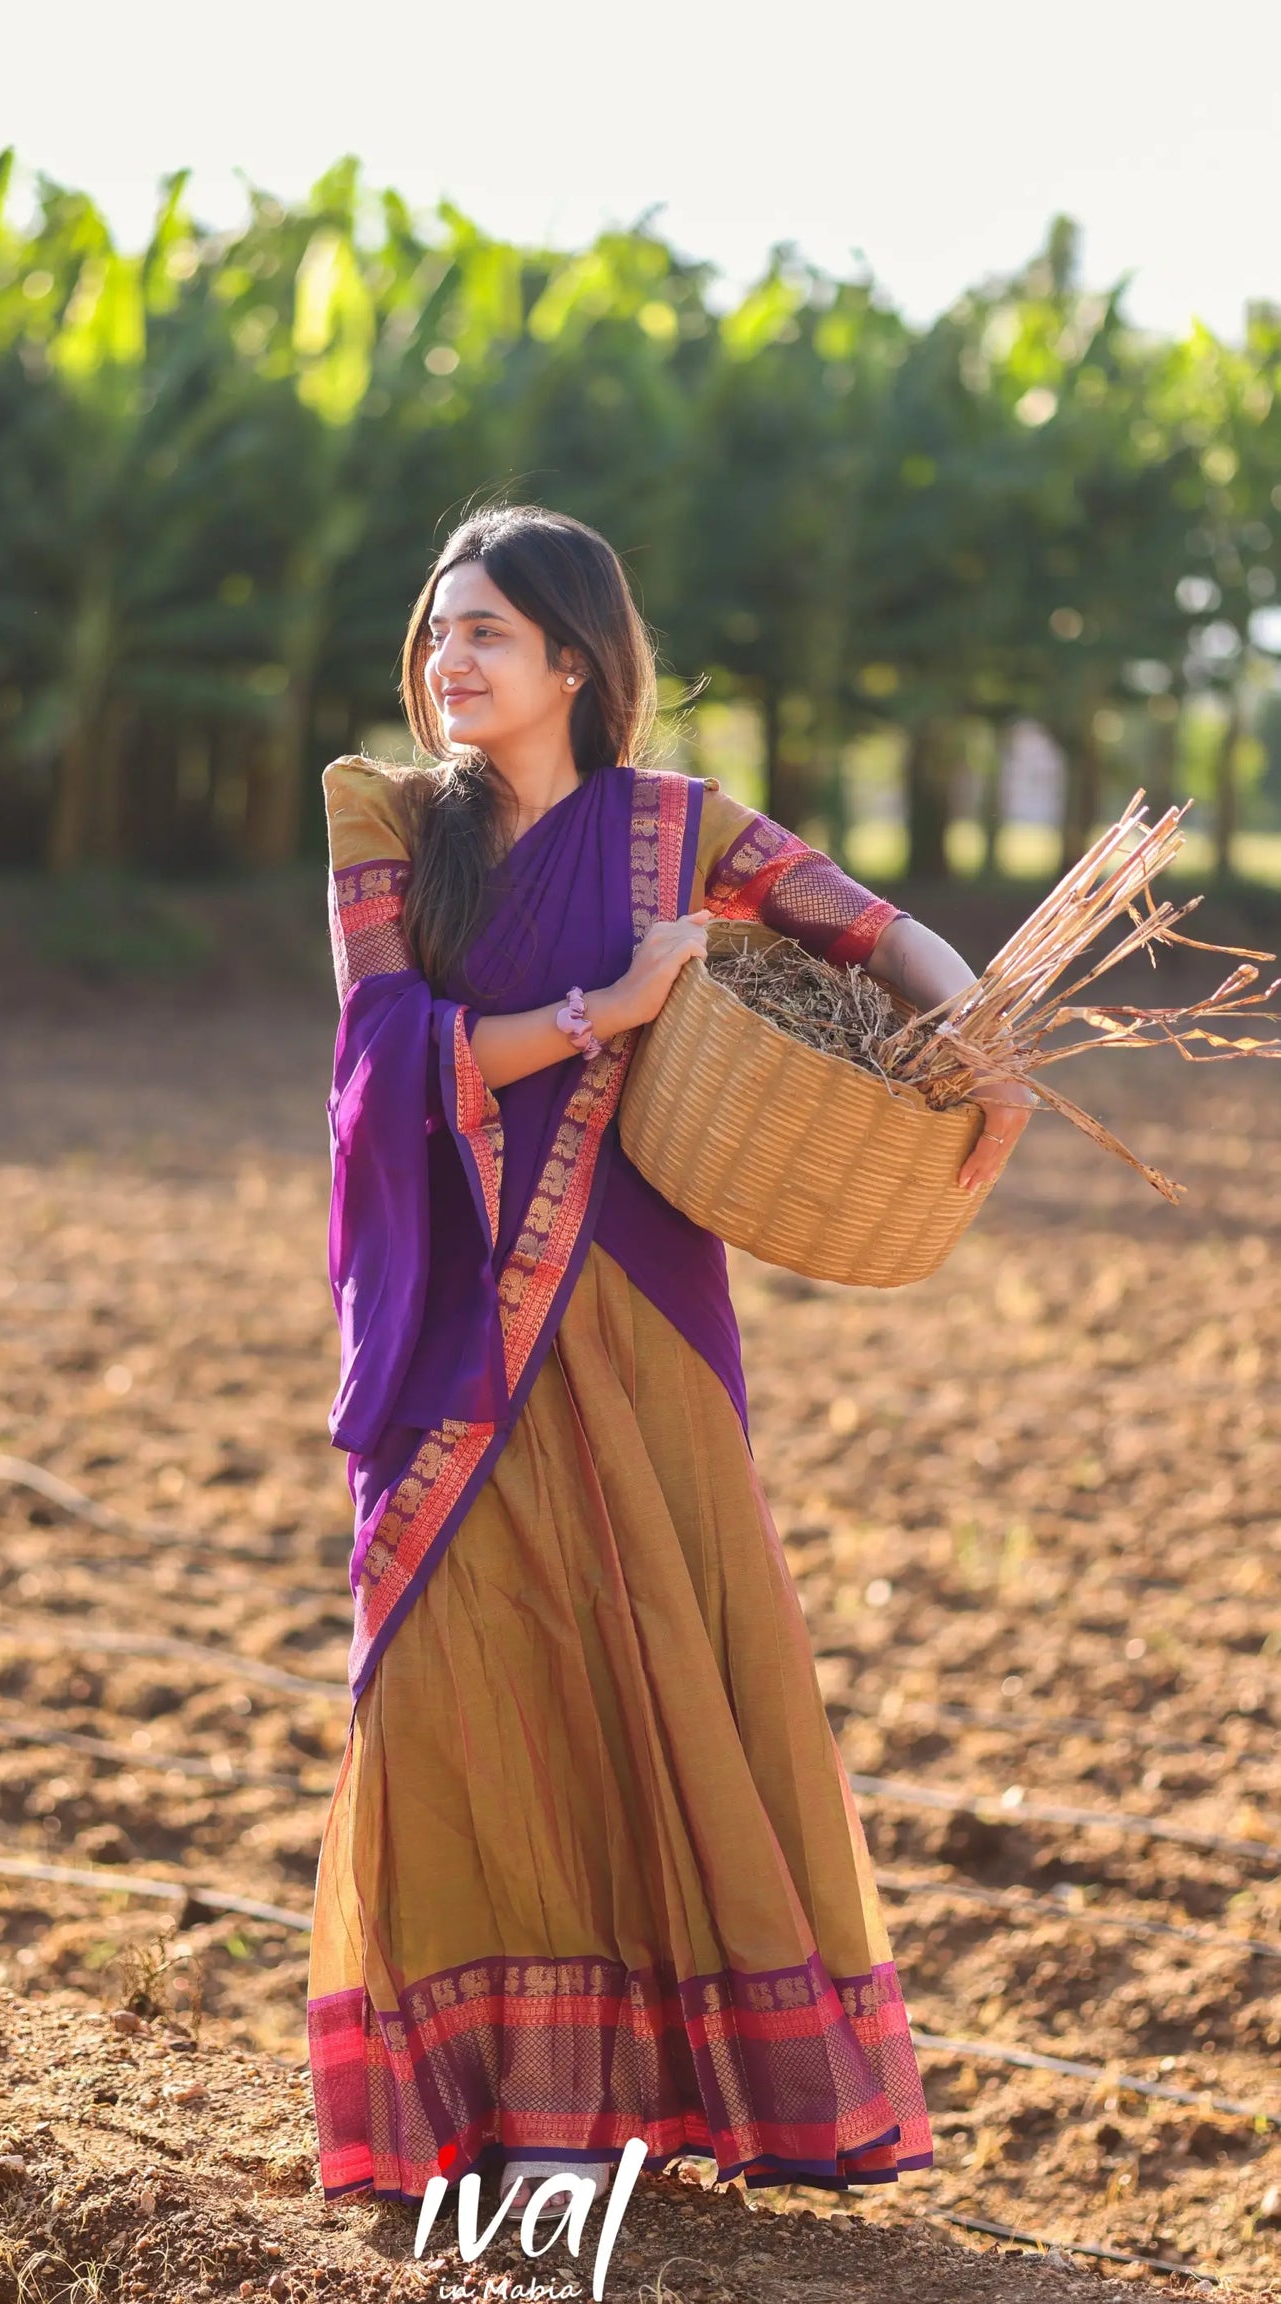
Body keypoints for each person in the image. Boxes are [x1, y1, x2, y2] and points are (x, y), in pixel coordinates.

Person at [306, 504, 1032, 2216]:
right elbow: (379, 1051)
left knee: (660, 1660)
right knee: (461, 1679)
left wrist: (984, 1041)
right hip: (460, 1321)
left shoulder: (677, 834)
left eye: (485, 631)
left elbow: (868, 929)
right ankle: (506, 2105)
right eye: (437, 632)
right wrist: (602, 1019)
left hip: (641, 1305)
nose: (448, 661)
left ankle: (664, 2099)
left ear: (575, 659)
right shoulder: (386, 823)